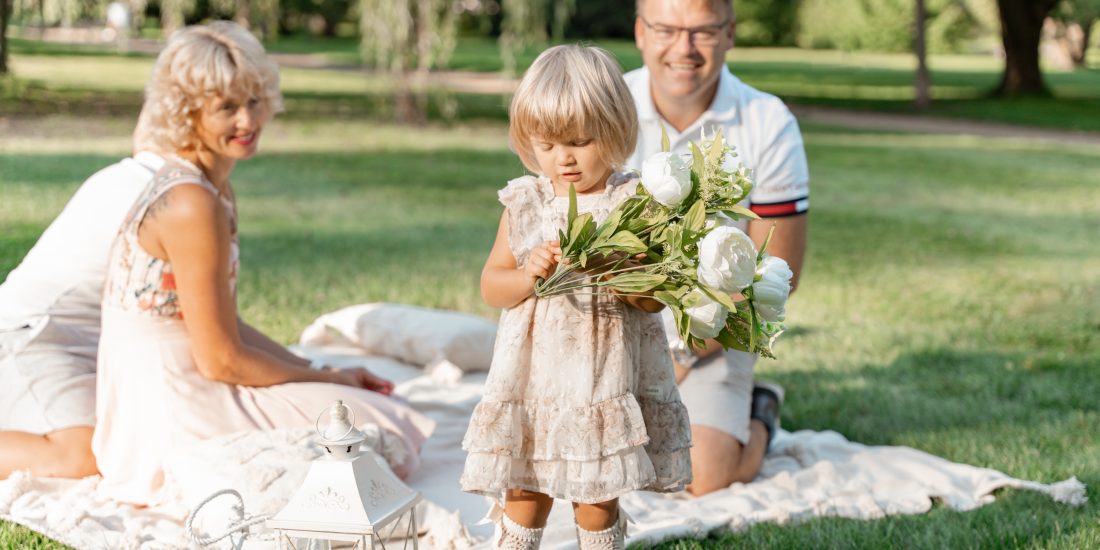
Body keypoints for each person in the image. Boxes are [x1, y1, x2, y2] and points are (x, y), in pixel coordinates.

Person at [90, 21, 434, 506]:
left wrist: (316, 366)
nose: (248, 121)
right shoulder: (192, 202)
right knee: (370, 435)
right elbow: (221, 358)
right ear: (187, 112)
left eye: (254, 101)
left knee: (372, 417)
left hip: (182, 374)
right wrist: (329, 379)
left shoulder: (211, 186)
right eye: (226, 108)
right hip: (168, 402)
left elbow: (225, 325)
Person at [460, 45, 693, 549]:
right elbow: (491, 285)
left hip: (600, 378)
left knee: (597, 493)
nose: (562, 158)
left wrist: (621, 273)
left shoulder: (631, 204)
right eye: (545, 145)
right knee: (524, 486)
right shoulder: (527, 202)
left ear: (613, 132)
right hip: (535, 381)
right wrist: (528, 275)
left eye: (580, 142)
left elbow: (655, 301)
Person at [627, 0, 810, 496]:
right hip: (616, 322)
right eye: (666, 29)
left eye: (703, 32)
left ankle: (760, 411)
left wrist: (682, 353)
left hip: (713, 331)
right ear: (641, 32)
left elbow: (776, 271)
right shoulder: (607, 105)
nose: (683, 48)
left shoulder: (767, 121)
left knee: (702, 475)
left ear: (729, 33)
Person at [0, 151, 164, 480]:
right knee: (84, 455)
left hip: (90, 348)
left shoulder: (147, 177)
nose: (247, 121)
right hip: (31, 335)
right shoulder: (154, 191)